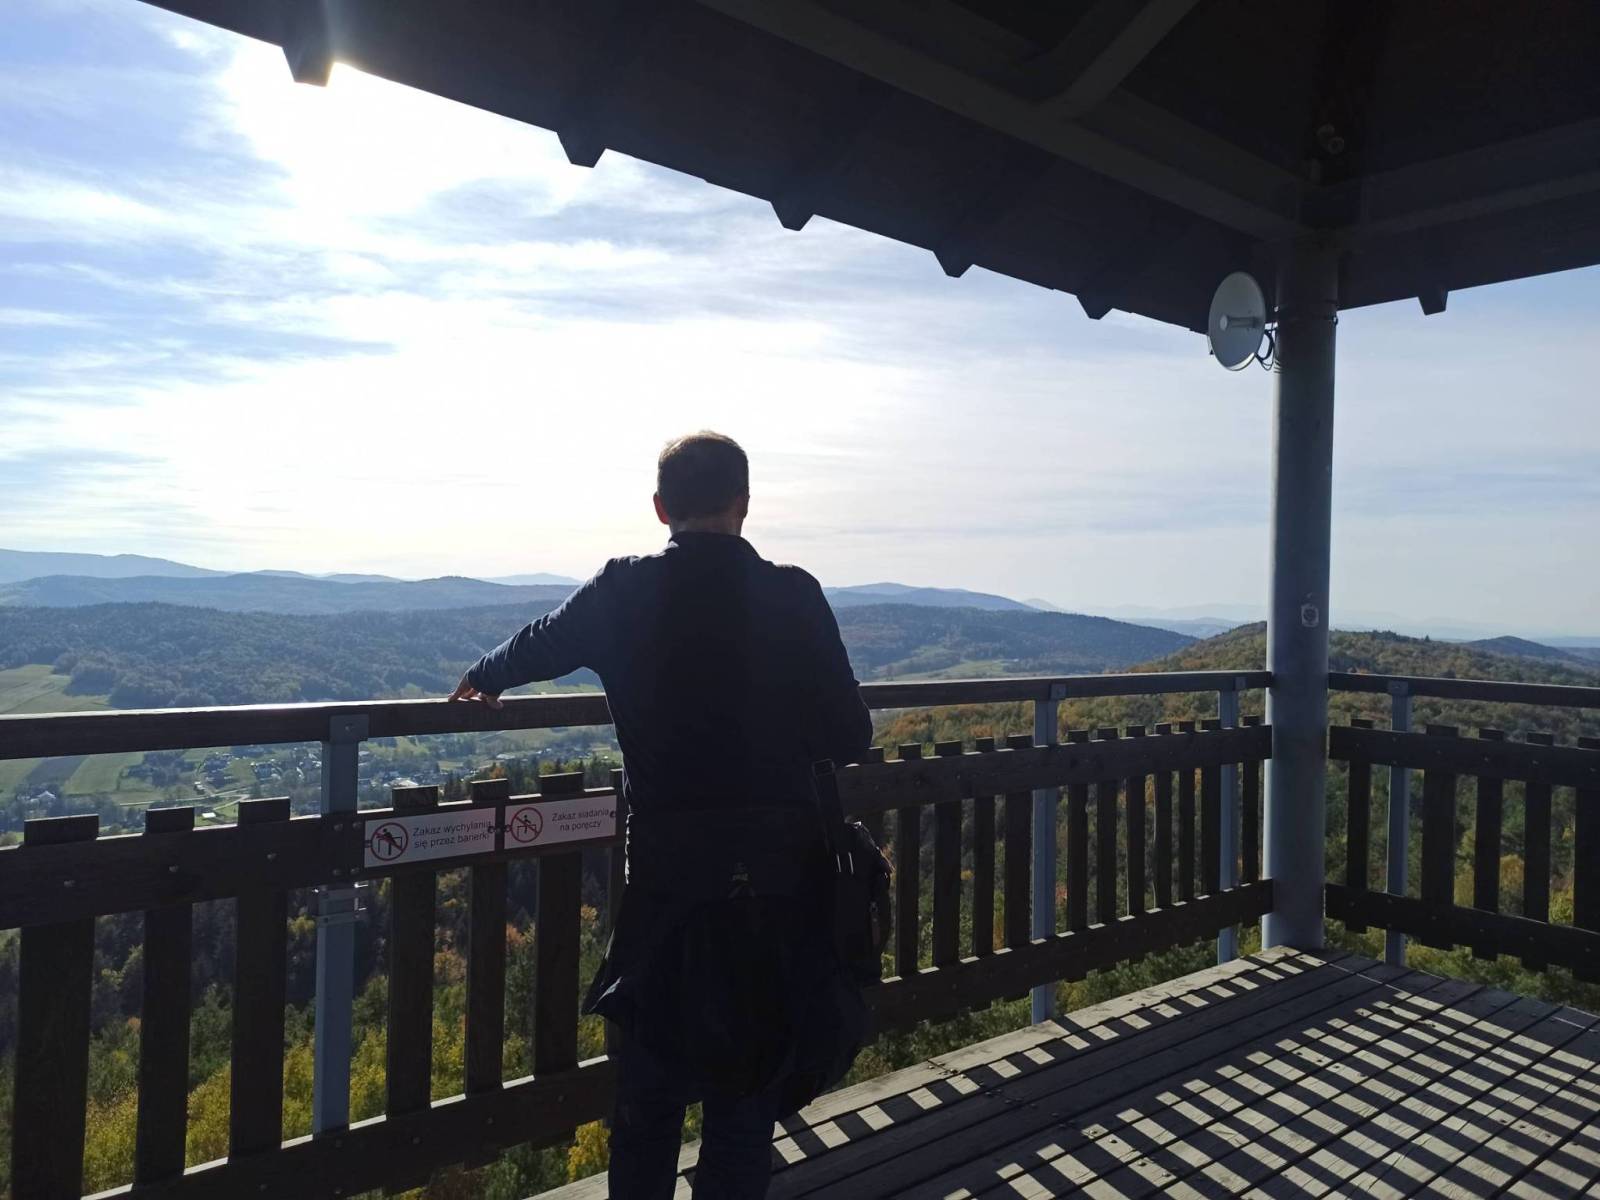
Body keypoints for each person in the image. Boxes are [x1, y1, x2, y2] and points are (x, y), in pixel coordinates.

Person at [450, 430, 873, 1199]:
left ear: (659, 508)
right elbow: (851, 736)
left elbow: (541, 643)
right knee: (745, 1095)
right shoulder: (794, 595)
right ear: (744, 503)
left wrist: (486, 674)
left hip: (667, 882)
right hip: (776, 878)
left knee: (648, 1098)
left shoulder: (625, 590)